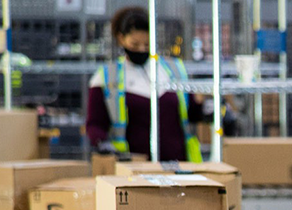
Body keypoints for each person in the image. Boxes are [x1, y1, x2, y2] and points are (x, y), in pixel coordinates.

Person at [87, 6, 204, 162]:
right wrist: (101, 143)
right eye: (135, 45)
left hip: (178, 165)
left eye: (147, 45)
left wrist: (203, 104)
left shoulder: (173, 69)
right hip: (133, 169)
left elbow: (191, 112)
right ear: (121, 39)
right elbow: (95, 124)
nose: (141, 49)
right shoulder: (106, 77)